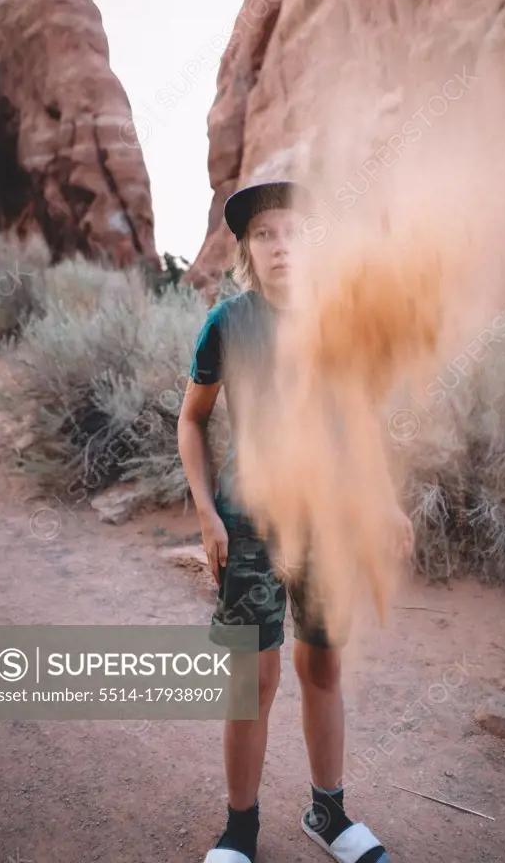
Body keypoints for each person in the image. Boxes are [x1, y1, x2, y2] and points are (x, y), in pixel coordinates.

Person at [177, 180, 413, 863]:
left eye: (293, 231)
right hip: (249, 523)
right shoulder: (226, 323)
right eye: (264, 234)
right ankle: (239, 830)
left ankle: (328, 815)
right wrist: (205, 513)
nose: (281, 245)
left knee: (324, 666)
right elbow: (192, 422)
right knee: (256, 676)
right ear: (248, 249)